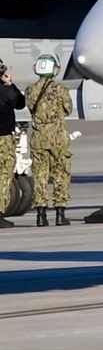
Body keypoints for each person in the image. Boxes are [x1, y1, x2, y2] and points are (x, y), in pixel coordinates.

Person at [25, 54, 73, 227]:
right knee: (61, 174)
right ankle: (60, 214)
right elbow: (68, 109)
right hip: (57, 138)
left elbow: (31, 108)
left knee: (40, 176)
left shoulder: (30, 89)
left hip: (38, 139)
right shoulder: (61, 89)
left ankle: (40, 215)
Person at [0, 60, 26, 228]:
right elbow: (20, 103)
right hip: (3, 139)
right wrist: (11, 85)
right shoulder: (5, 91)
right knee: (3, 175)